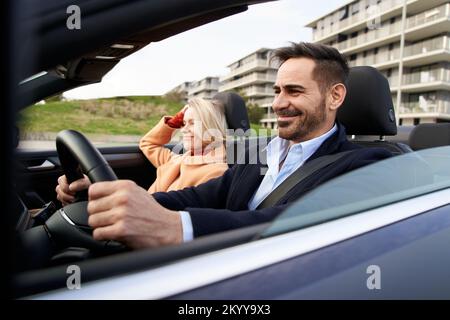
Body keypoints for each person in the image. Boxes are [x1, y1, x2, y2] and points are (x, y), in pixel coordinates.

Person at [57, 42, 393, 249]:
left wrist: (176, 227)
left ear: (335, 96)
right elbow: (201, 196)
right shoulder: (256, 150)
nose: (278, 103)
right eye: (276, 91)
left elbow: (292, 222)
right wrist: (118, 199)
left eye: (294, 91)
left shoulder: (369, 163)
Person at [56, 97, 229, 205]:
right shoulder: (176, 159)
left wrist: (104, 195)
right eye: (183, 124)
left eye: (192, 123)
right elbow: (148, 144)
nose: (183, 129)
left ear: (210, 126)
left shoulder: (216, 172)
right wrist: (174, 121)